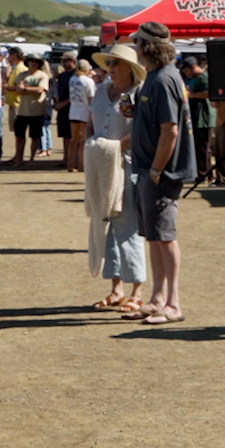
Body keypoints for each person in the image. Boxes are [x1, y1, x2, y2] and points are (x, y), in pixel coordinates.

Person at [130, 23, 197, 325]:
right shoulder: (155, 78)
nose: (134, 46)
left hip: (160, 172)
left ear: (148, 46)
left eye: (137, 42)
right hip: (148, 169)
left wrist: (157, 168)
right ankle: (157, 298)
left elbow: (170, 130)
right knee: (154, 237)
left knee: (165, 237)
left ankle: (173, 303)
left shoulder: (162, 79)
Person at [86, 44, 147, 313]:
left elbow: (141, 133)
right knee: (104, 223)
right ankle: (115, 289)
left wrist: (114, 148)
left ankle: (137, 290)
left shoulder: (138, 95)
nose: (110, 68)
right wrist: (90, 148)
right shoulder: (100, 90)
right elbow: (91, 124)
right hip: (100, 164)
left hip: (127, 165)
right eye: (109, 63)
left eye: (115, 63)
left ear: (130, 69)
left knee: (127, 227)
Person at [9, 56, 50, 166]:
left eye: (37, 61)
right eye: (32, 61)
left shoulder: (43, 75)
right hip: (22, 111)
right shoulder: (22, 75)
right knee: (19, 137)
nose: (34, 63)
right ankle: (19, 159)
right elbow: (17, 88)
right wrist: (26, 89)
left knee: (34, 137)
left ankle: (31, 159)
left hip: (37, 111)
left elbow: (40, 89)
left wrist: (26, 89)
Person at [182, 54, 217, 179]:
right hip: (198, 118)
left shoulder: (203, 77)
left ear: (193, 67)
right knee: (199, 147)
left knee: (203, 147)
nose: (186, 74)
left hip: (204, 118)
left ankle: (204, 173)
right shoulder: (196, 78)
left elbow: (208, 93)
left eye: (186, 71)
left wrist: (192, 95)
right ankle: (202, 172)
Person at [65, 57, 96, 173]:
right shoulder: (88, 81)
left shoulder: (72, 79)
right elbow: (91, 98)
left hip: (73, 110)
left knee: (73, 140)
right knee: (83, 140)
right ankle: (81, 165)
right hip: (84, 111)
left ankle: (70, 164)